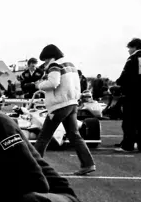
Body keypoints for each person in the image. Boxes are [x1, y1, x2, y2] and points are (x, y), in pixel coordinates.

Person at [33, 44, 96, 175]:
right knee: (74, 135)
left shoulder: (54, 65)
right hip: (72, 103)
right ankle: (88, 163)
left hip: (59, 105)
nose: (44, 62)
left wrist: (39, 85)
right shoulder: (71, 65)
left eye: (44, 59)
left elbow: (53, 83)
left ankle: (34, 166)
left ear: (49, 57)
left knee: (44, 137)